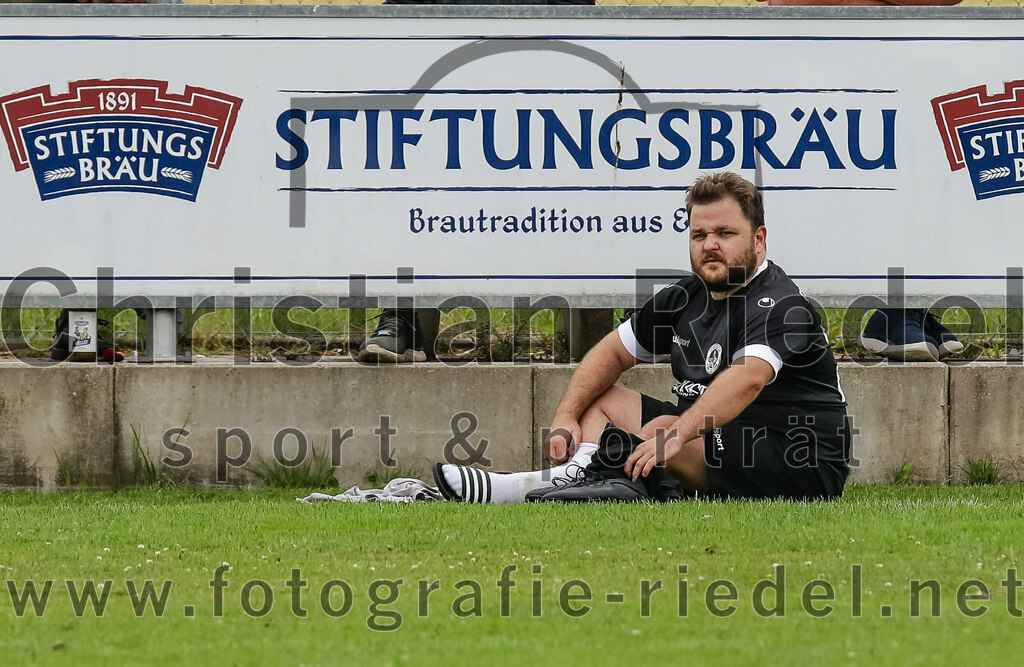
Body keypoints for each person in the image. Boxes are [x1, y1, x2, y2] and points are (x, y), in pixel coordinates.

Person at [433, 171, 851, 503]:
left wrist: (679, 431)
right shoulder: (686, 296)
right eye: (699, 235)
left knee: (665, 437)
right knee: (601, 399)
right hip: (719, 435)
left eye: (725, 234)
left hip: (798, 458)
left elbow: (749, 378)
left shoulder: (780, 303)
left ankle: (531, 489)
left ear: (758, 239)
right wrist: (564, 415)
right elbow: (612, 353)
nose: (710, 246)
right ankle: (582, 478)